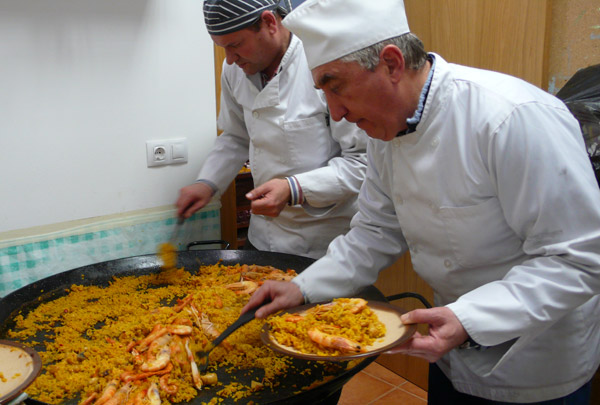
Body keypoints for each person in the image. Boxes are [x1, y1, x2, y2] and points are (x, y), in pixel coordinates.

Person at [243, 0, 600, 403]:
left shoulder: (511, 118)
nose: (336, 113)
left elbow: (580, 258)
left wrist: (469, 318)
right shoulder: (385, 132)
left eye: (335, 85)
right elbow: (375, 232)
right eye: (323, 92)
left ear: (392, 63)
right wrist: (302, 288)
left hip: (535, 361)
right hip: (450, 347)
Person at [176, 0, 368, 260]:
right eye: (223, 48)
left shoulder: (322, 62)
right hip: (263, 236)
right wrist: (207, 183)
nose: (230, 59)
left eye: (235, 45)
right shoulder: (234, 70)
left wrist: (293, 188)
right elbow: (236, 136)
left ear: (269, 23)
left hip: (325, 241)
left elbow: (362, 162)